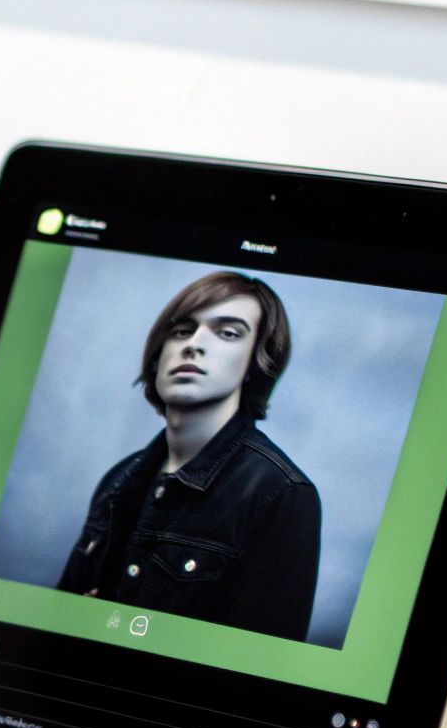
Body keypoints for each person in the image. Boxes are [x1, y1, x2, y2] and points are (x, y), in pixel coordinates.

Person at [56, 270, 320, 641]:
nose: (193, 345)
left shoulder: (281, 494)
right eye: (181, 330)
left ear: (256, 363)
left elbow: (256, 673)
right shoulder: (120, 479)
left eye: (228, 333)